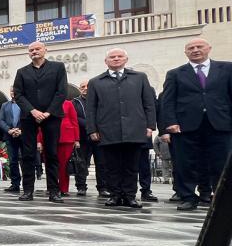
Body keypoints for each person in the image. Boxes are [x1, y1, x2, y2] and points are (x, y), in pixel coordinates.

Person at [160, 38, 232, 210]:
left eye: (199, 47)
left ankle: (221, 198)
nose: (195, 50)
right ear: (186, 52)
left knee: (221, 162)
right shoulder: (175, 73)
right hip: (186, 125)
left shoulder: (227, 68)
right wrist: (170, 122)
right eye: (191, 48)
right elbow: (168, 101)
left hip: (220, 123)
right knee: (186, 163)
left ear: (209, 48)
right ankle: (188, 197)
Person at [87, 48, 156, 208]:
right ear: (106, 61)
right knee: (112, 166)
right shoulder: (96, 82)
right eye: (112, 57)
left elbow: (149, 104)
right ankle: (115, 195)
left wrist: (150, 125)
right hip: (108, 130)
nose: (116, 59)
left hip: (135, 129)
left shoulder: (139, 78)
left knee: (132, 165)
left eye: (119, 56)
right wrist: (92, 129)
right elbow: (91, 108)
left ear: (126, 59)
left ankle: (130, 196)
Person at [12, 41, 68, 202]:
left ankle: (53, 191)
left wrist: (48, 112)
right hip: (29, 116)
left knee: (51, 153)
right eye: (31, 50)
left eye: (37, 49)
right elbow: (18, 94)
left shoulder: (58, 67)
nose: (34, 51)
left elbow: (61, 92)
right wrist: (33, 111)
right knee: (28, 154)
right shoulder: (22, 72)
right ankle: (28, 190)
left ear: (45, 50)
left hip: (52, 116)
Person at [72, 80, 107, 197]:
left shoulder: (100, 101)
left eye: (88, 86)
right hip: (83, 138)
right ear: (80, 89)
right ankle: (81, 187)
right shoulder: (75, 102)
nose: (85, 88)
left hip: (99, 137)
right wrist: (90, 126)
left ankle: (102, 188)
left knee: (101, 163)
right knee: (81, 164)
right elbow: (75, 118)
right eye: (83, 86)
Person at [37, 100, 79, 196]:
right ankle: (51, 187)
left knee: (64, 165)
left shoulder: (68, 103)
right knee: (50, 163)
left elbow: (74, 120)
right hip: (48, 136)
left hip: (66, 137)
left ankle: (63, 188)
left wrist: (76, 139)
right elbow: (40, 124)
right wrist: (39, 140)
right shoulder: (45, 103)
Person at [0, 88, 22, 193]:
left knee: (25, 160)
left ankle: (28, 184)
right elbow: (0, 120)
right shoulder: (5, 105)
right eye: (12, 90)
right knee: (12, 161)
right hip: (10, 136)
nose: (13, 92)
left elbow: (28, 119)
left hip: (23, 135)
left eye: (15, 90)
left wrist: (20, 130)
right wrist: (9, 130)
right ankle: (15, 184)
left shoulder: (25, 104)